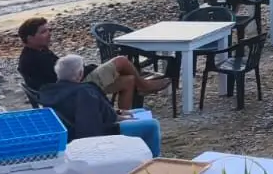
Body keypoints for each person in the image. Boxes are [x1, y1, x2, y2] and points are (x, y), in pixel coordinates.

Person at [17, 17, 168, 111]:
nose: (49, 34)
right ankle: (144, 86)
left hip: (70, 87)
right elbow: (63, 78)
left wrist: (87, 68)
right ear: (29, 38)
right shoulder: (34, 59)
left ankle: (125, 117)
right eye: (43, 32)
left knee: (128, 80)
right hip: (75, 90)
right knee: (121, 60)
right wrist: (87, 69)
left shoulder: (38, 51)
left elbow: (63, 72)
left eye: (49, 30)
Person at [38, 55, 162, 156]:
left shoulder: (49, 91)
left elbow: (90, 112)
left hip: (73, 132)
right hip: (99, 134)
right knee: (152, 125)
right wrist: (122, 117)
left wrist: (118, 112)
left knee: (141, 111)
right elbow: (103, 119)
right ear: (80, 74)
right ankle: (153, 159)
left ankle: (138, 151)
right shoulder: (84, 92)